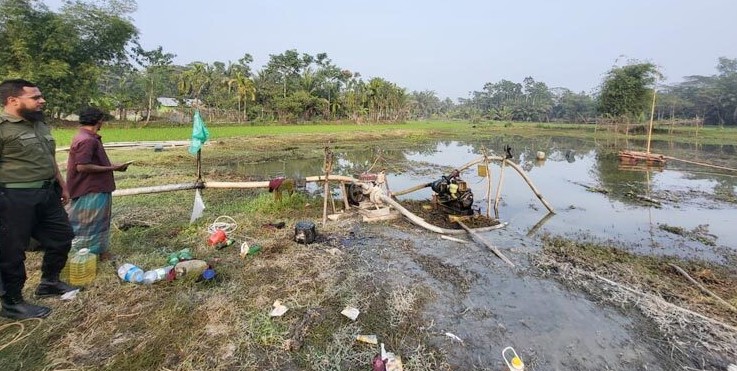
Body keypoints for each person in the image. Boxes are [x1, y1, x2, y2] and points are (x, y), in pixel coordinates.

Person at [0, 79, 77, 320]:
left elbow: (49, 159)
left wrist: (62, 184)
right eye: (35, 97)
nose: (41, 100)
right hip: (14, 197)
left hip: (47, 192)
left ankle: (49, 283)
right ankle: (13, 303)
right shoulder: (2, 128)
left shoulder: (38, 124)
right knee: (12, 251)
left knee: (62, 237)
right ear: (13, 101)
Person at [65, 107, 130, 261]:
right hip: (91, 188)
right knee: (92, 223)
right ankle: (91, 253)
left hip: (91, 186)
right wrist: (113, 168)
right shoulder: (87, 140)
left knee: (91, 222)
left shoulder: (84, 137)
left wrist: (112, 167)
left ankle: (95, 252)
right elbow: (82, 166)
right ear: (99, 120)